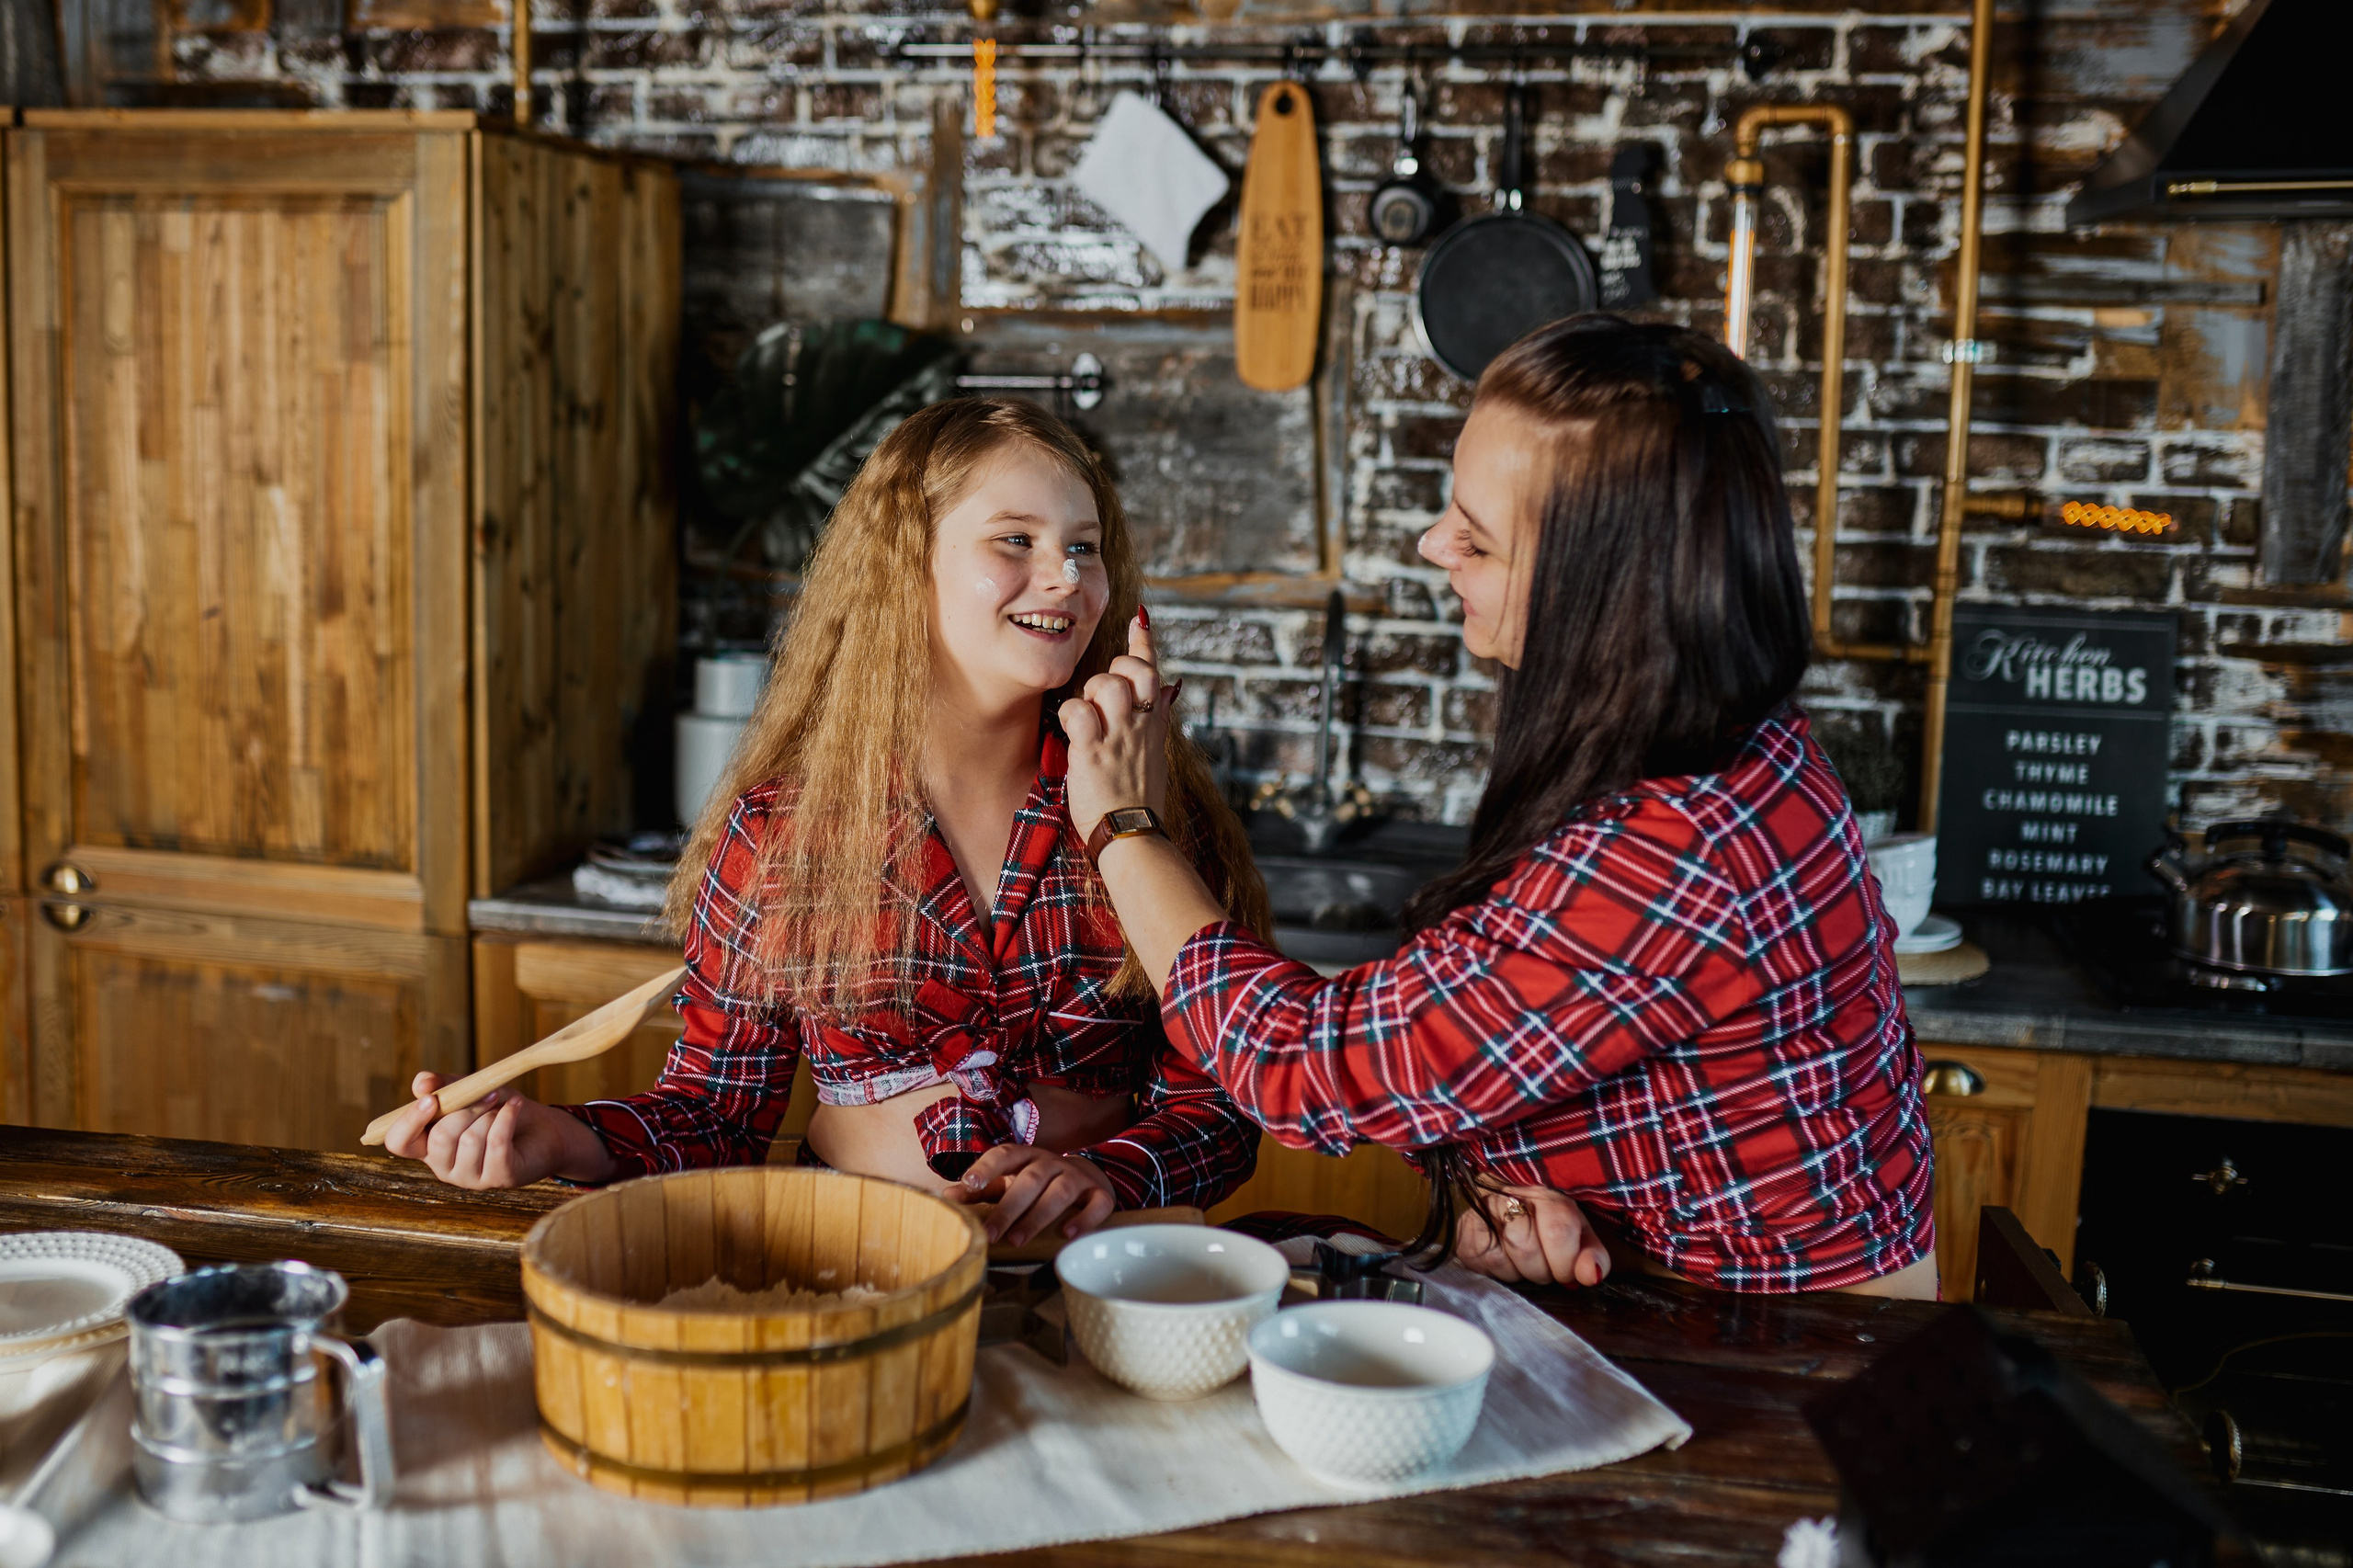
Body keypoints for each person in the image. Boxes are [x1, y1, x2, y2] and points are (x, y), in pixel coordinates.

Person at [1040, 315, 1937, 1296]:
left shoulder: (1680, 842)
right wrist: (1522, 1187)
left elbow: (1296, 1062)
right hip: (1692, 1300)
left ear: (1605, 589)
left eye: (1478, 536)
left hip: (1796, 1351)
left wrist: (1125, 825)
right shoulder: (1727, 744)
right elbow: (1574, 1056)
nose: (1435, 543)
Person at [384, 399, 1270, 1247]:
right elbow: (717, 1114)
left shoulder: (1145, 817)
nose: (1067, 577)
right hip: (852, 1269)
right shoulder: (779, 832)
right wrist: (558, 1139)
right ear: (905, 564)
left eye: (1084, 546)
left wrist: (1108, 1173)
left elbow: (1224, 1106)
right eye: (1016, 539)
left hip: (1091, 1273)